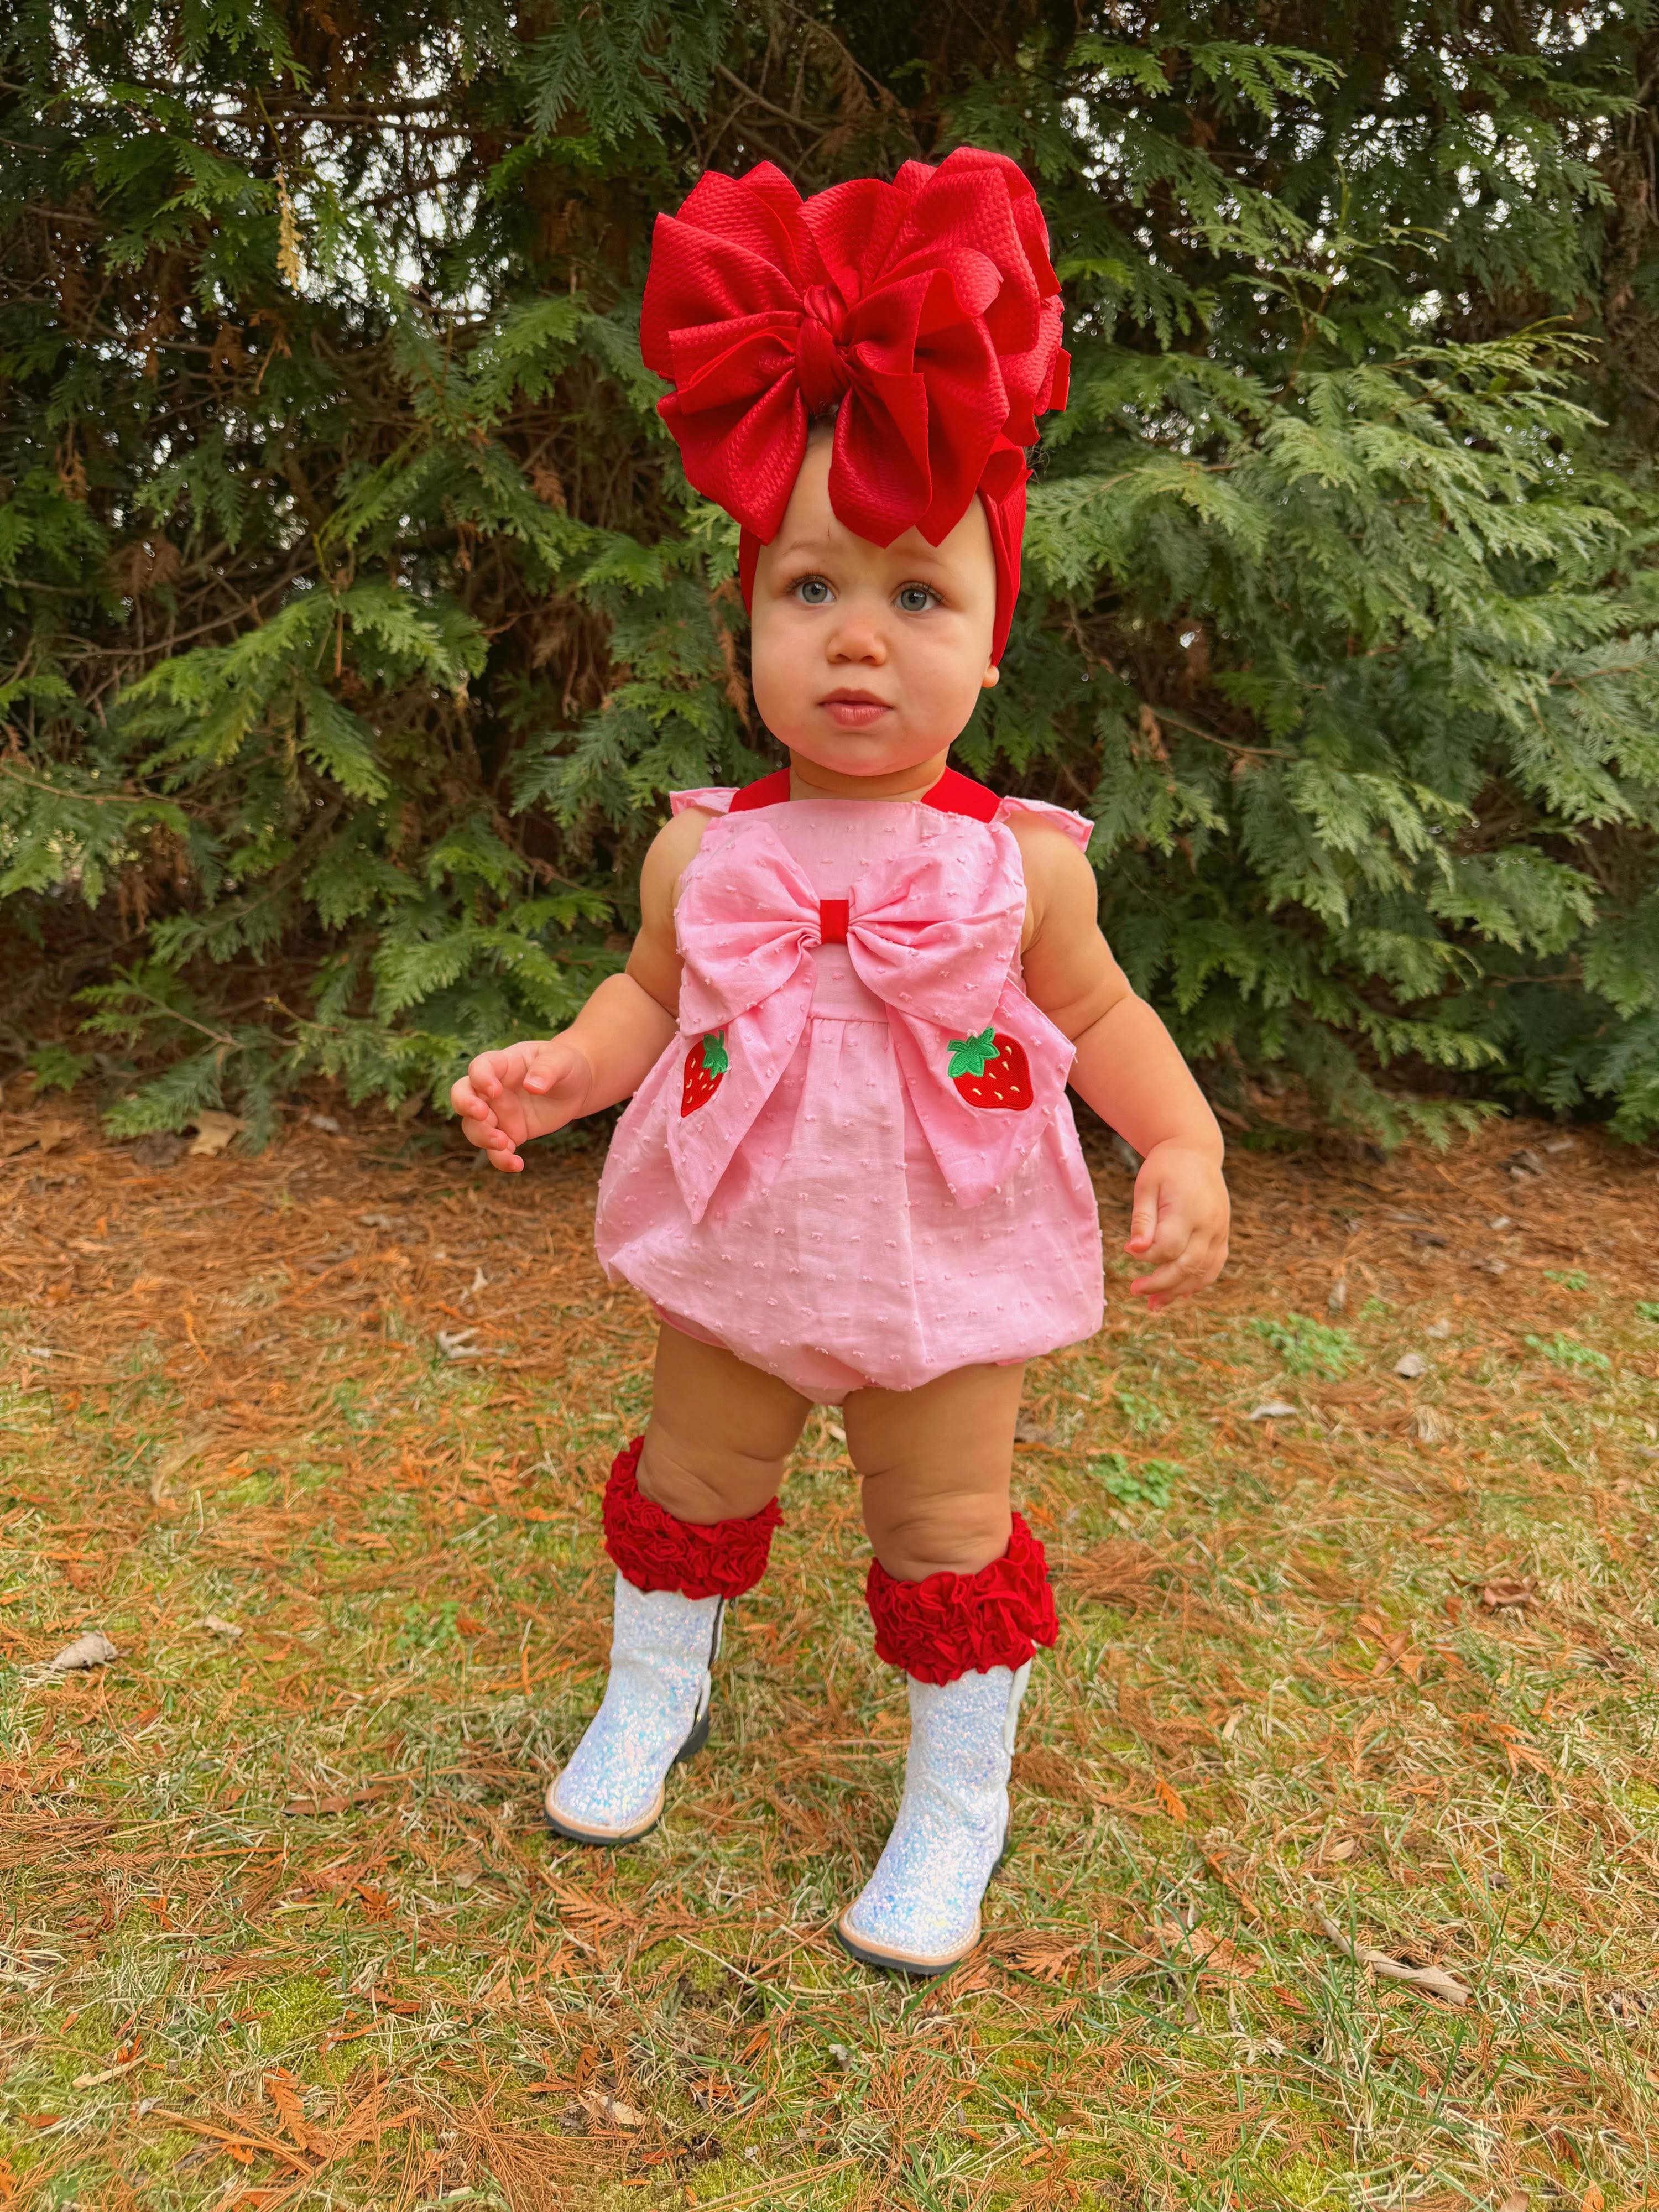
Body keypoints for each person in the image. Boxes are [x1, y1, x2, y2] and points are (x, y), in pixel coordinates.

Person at [451, 148, 1229, 1976]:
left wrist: (1179, 1146)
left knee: (944, 1524)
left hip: (939, 1266)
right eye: (809, 587)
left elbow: (1103, 1018)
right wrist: (567, 1070)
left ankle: (959, 1797)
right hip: (736, 1245)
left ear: (989, 634)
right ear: (748, 630)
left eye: (916, 594)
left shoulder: (1017, 864)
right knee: (692, 1476)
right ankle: (658, 1689)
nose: (859, 632)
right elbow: (650, 998)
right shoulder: (702, 846)